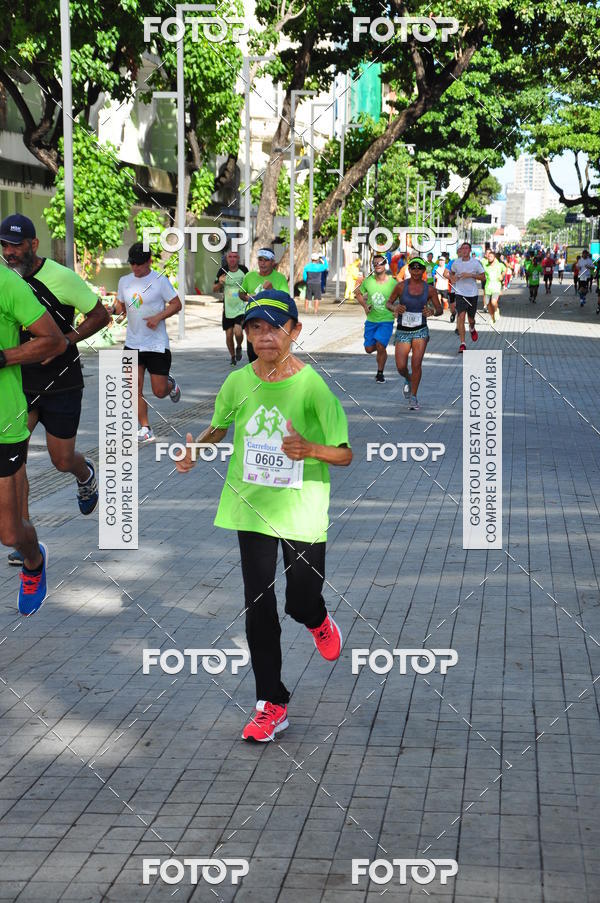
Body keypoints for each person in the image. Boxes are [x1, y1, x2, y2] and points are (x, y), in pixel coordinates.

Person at [175, 289, 352, 742]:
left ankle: (317, 619)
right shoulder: (238, 382)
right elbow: (219, 427)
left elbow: (344, 454)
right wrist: (196, 448)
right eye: (256, 327)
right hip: (250, 506)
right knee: (258, 605)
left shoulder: (312, 386)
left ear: (294, 331)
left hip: (302, 508)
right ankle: (271, 702)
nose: (265, 336)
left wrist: (309, 449)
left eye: (275, 327)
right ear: (246, 333)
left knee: (298, 601)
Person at [1, 214, 110, 568]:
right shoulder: (6, 281)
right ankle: (22, 534)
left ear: (34, 244)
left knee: (61, 460)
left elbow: (100, 315)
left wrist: (66, 340)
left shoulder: (61, 277)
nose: (9, 252)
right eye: (4, 245)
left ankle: (85, 474)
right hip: (20, 384)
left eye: (16, 245)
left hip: (62, 382)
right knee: (16, 464)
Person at [0, 261, 66, 613]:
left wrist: (3, 357)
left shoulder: (7, 283)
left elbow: (52, 339)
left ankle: (33, 561)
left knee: (10, 533)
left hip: (3, 422)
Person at [115, 242, 182, 444]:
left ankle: (171, 385)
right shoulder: (124, 281)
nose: (135, 268)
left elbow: (176, 304)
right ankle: (145, 428)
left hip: (156, 345)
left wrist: (158, 317)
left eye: (139, 264)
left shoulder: (159, 280)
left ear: (150, 261)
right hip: (132, 343)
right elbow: (121, 305)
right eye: (132, 264)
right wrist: (115, 311)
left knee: (159, 391)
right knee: (132, 388)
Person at [387, 256, 443, 410]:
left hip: (420, 331)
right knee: (401, 366)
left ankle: (413, 397)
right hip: (403, 331)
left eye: (419, 268)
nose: (416, 271)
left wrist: (432, 310)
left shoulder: (430, 289)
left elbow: (439, 310)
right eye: (413, 268)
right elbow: (388, 303)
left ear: (424, 271)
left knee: (416, 363)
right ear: (409, 270)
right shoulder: (400, 287)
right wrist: (395, 308)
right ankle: (408, 378)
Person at [240, 248, 289, 362]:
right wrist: (248, 297)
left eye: (266, 260)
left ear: (273, 262)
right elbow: (241, 293)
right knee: (253, 355)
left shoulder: (280, 278)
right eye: (260, 260)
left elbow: (285, 299)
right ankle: (256, 378)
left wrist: (272, 290)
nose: (262, 263)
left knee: (271, 354)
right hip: (253, 320)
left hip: (272, 322)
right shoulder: (249, 276)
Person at [354, 253, 397, 383]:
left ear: (385, 265)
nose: (377, 265)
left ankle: (380, 373)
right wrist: (365, 306)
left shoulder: (393, 283)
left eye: (380, 263)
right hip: (371, 320)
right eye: (375, 263)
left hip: (386, 320)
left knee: (380, 345)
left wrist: (397, 310)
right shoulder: (368, 281)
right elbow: (357, 292)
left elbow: (402, 298)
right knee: (368, 349)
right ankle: (381, 351)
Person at [446, 242, 485, 353]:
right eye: (462, 248)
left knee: (471, 319)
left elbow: (483, 277)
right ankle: (463, 344)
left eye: (466, 248)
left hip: (472, 294)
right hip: (460, 294)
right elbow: (451, 274)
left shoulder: (476, 263)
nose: (464, 250)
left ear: (470, 250)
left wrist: (471, 275)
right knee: (461, 317)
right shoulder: (456, 263)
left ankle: (472, 328)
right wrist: (453, 278)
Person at [213, 249, 248, 366]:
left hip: (241, 307)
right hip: (228, 308)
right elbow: (214, 289)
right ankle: (233, 356)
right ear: (227, 259)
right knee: (228, 335)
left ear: (238, 259)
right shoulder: (222, 271)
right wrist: (220, 282)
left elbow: (250, 284)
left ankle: (239, 346)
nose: (232, 259)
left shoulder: (244, 270)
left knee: (238, 331)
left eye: (235, 257)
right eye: (230, 257)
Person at [482, 249, 507, 324]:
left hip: (496, 287)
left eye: (491, 256)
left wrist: (502, 276)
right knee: (487, 303)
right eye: (488, 256)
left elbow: (505, 270)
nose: (489, 258)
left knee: (493, 302)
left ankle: (496, 311)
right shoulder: (485, 266)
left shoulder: (499, 265)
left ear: (494, 258)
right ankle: (492, 318)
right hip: (487, 287)